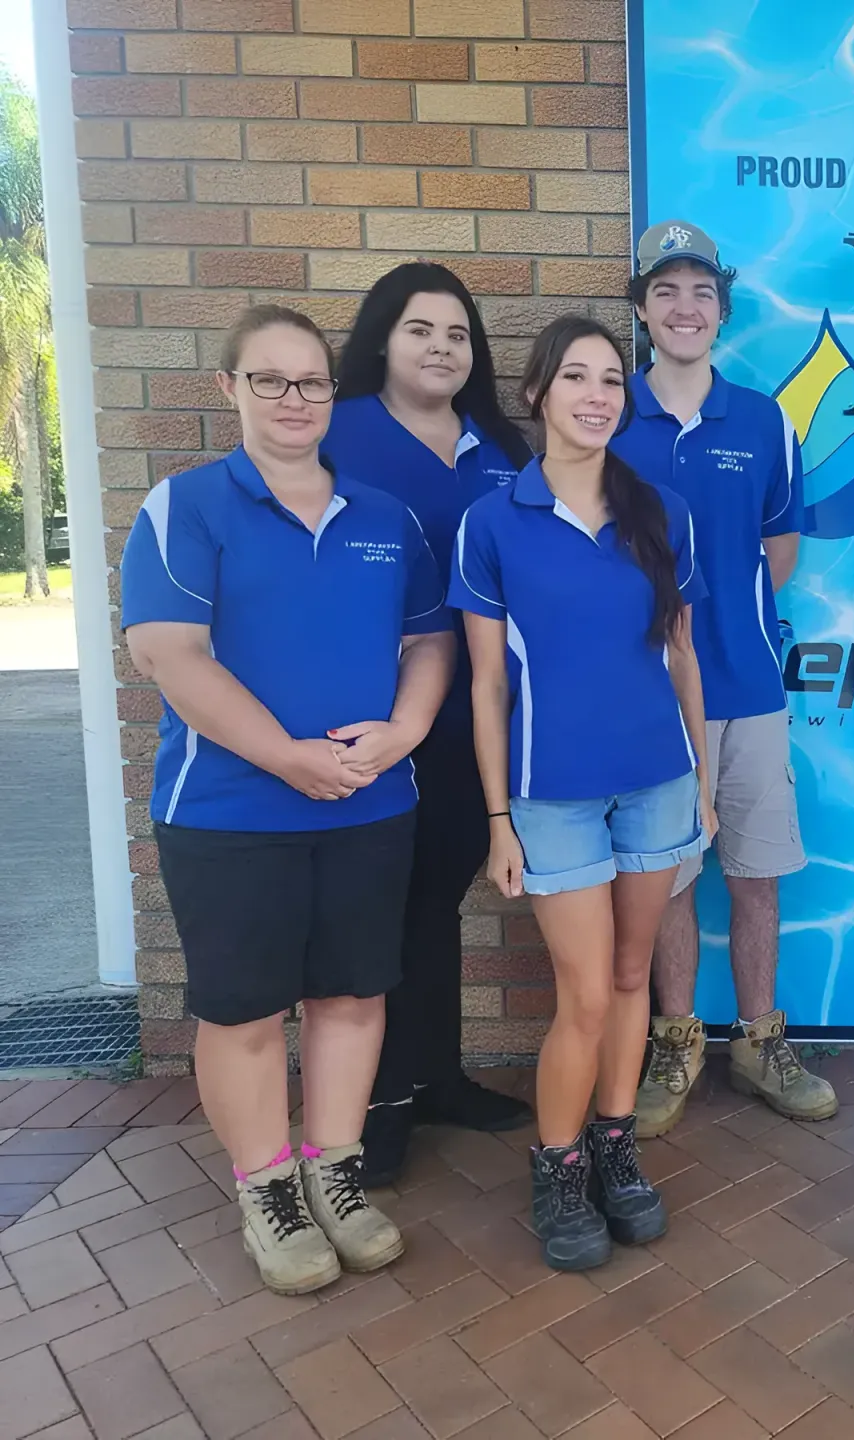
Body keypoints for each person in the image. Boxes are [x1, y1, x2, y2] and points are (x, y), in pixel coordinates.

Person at [121, 306, 456, 1294]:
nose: (293, 400)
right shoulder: (185, 508)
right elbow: (167, 654)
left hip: (367, 804)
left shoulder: (384, 518)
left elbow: (433, 640)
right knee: (246, 1013)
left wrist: (403, 733)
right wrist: (285, 757)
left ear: (333, 396)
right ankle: (267, 1191)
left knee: (353, 996)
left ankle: (334, 1175)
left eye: (311, 382)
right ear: (230, 390)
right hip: (228, 812)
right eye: (269, 380)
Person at [448, 315, 714, 1272]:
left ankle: (614, 1144)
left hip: (658, 783)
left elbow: (683, 654)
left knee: (635, 978)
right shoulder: (493, 521)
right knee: (587, 998)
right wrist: (496, 820)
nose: (598, 396)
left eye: (613, 382)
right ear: (537, 394)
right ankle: (556, 1168)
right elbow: (485, 687)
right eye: (576, 378)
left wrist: (705, 785)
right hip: (551, 797)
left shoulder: (662, 511)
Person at [605, 219, 834, 1136]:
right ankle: (674, 1040)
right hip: (643, 701)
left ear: (722, 310)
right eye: (666, 291)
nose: (685, 306)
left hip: (748, 686)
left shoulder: (765, 419)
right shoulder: (608, 413)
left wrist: (724, 618)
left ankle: (759, 1041)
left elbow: (782, 541)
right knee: (664, 880)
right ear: (643, 310)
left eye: (701, 291)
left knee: (755, 874)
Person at [326, 262, 536, 1185]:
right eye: (421, 330)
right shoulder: (336, 433)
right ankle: (380, 1108)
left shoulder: (497, 444)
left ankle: (437, 1077)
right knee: (377, 914)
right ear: (381, 339)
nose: (442, 348)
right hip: (366, 722)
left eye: (458, 334)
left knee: (436, 903)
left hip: (469, 722)